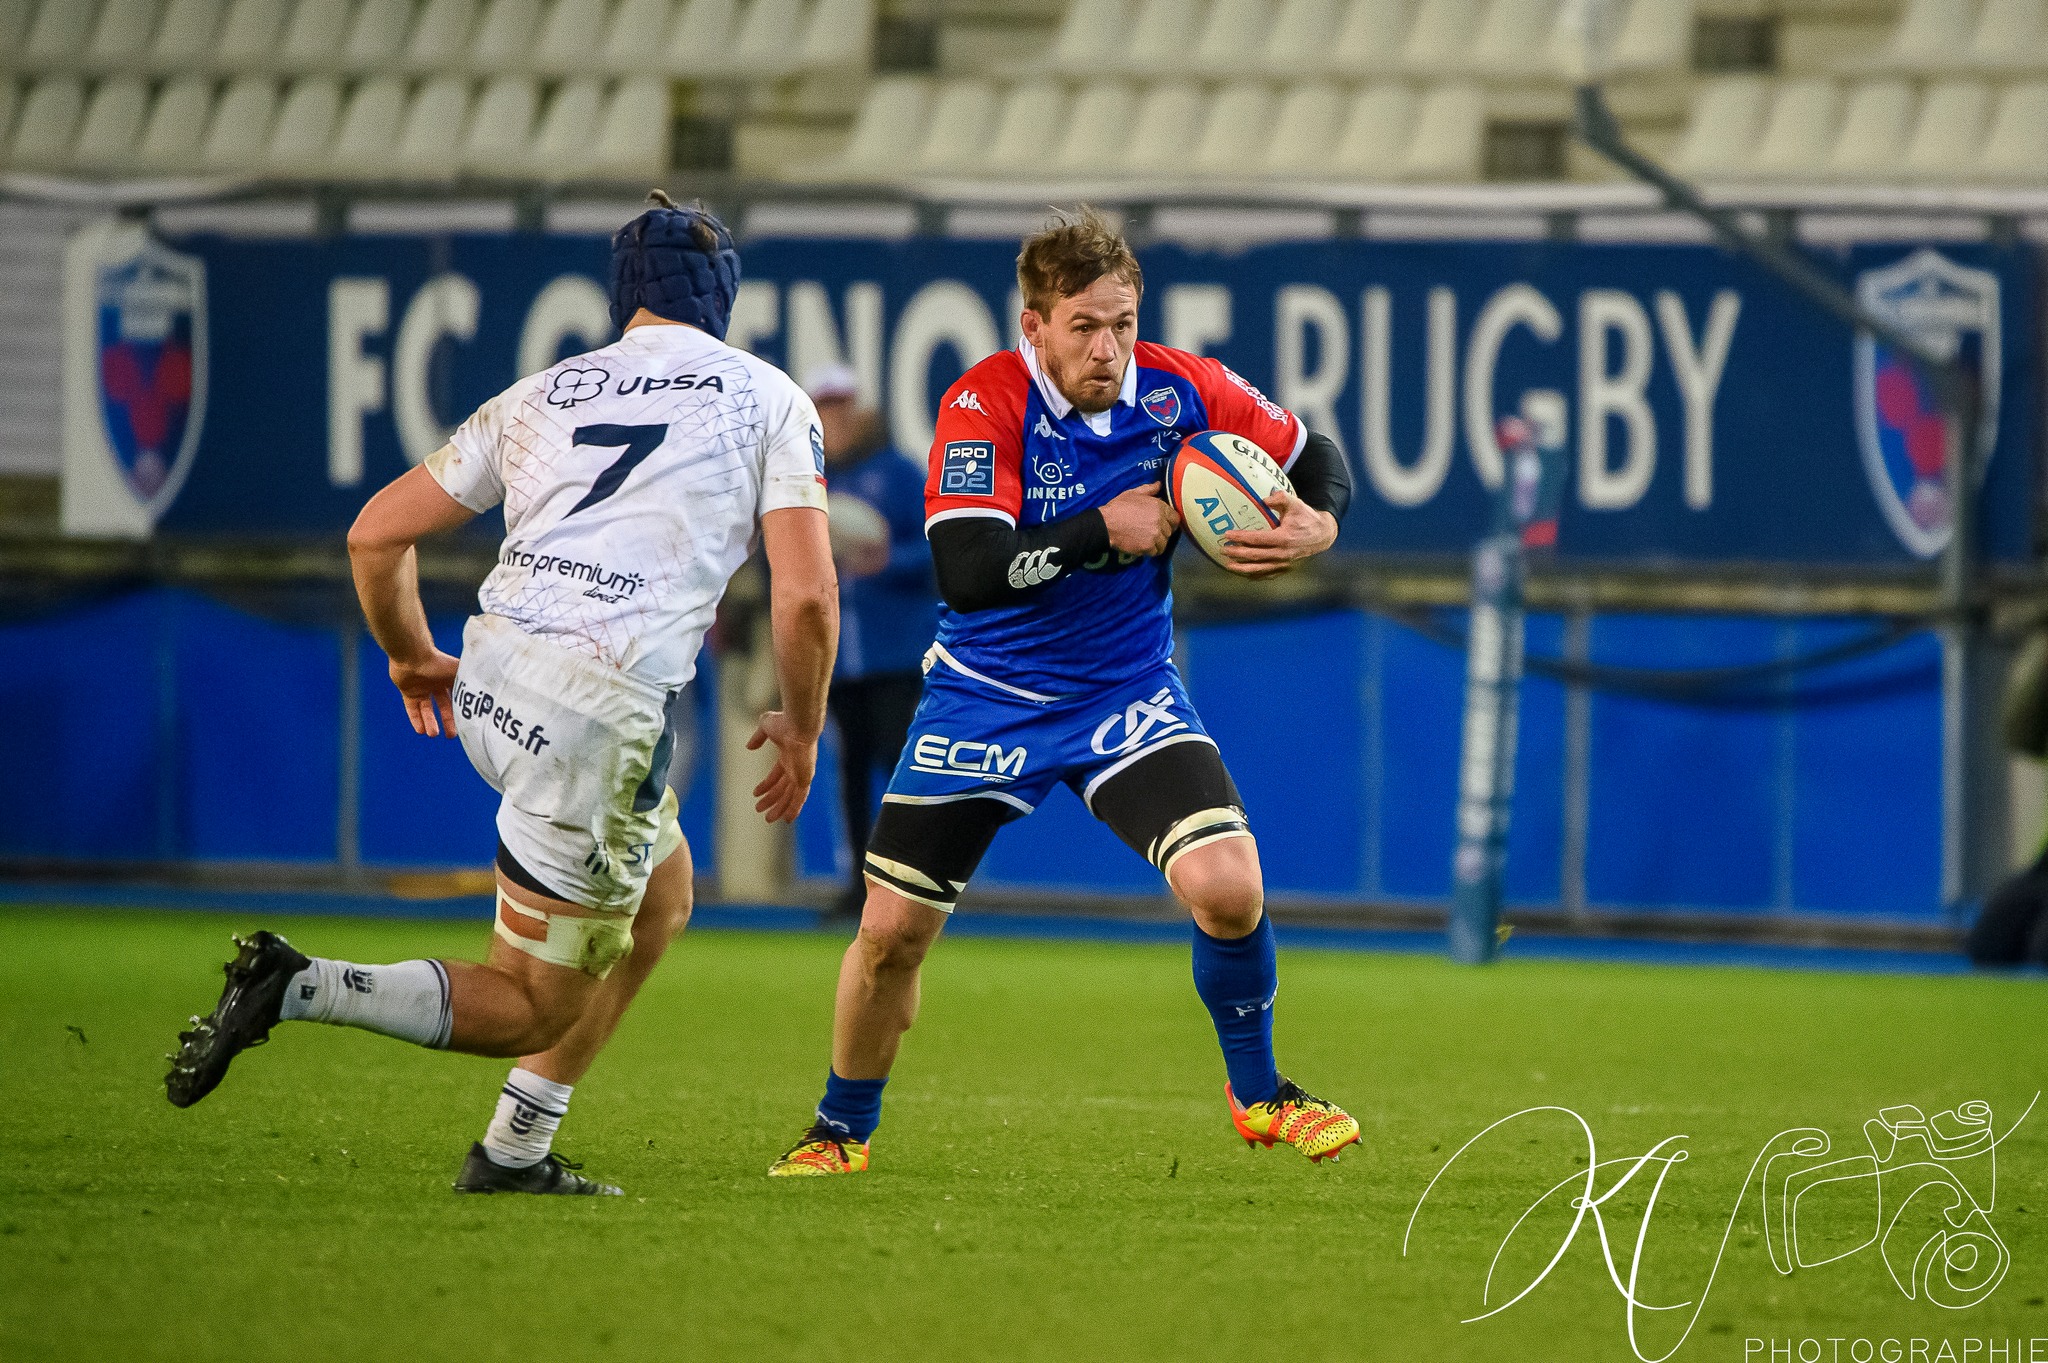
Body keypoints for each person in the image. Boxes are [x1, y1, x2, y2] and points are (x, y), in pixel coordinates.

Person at [164, 193, 839, 1196]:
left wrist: (408, 655)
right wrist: (801, 720)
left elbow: (374, 536)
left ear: (625, 295)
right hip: (594, 715)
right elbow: (808, 595)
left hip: (488, 680)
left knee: (662, 894)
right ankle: (299, 984)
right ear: (723, 296)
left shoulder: (541, 393)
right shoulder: (768, 399)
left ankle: (515, 1150)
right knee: (529, 1004)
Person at [768, 208, 1359, 1177]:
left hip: (1123, 690)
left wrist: (1321, 524)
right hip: (984, 696)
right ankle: (838, 1129)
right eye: (1083, 325)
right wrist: (1099, 528)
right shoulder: (982, 403)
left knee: (1227, 885)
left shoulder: (1182, 388)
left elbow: (1312, 456)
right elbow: (964, 568)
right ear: (1032, 325)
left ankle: (1260, 1096)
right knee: (889, 936)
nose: (1108, 346)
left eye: (1121, 321)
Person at [808, 363, 939, 920]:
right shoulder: (809, 477)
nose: (834, 417)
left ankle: (908, 884)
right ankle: (858, 886)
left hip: (895, 653)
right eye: (824, 406)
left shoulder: (899, 474)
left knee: (898, 766)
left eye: (841, 406)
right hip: (839, 659)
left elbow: (936, 548)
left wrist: (887, 562)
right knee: (851, 774)